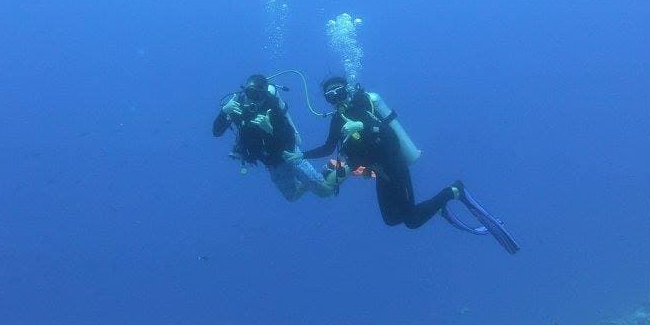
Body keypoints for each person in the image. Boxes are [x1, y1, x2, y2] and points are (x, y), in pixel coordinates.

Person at [305, 75, 521, 253]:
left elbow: (390, 136)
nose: (335, 97)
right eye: (329, 95)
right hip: (381, 173)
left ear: (346, 90)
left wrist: (362, 125)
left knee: (411, 221)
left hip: (395, 166)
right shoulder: (337, 119)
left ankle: (454, 191)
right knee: (391, 220)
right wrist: (300, 156)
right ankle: (436, 208)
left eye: (338, 91)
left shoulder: (363, 107)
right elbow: (327, 148)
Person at [214, 74, 339, 201]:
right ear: (245, 92)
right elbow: (216, 132)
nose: (253, 101)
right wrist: (224, 111)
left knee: (325, 191)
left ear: (264, 96)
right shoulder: (235, 107)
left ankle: (343, 167)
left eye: (258, 96)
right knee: (292, 197)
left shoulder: (272, 107)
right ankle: (321, 174)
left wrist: (270, 130)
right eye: (250, 94)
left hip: (289, 156)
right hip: (271, 162)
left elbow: (290, 140)